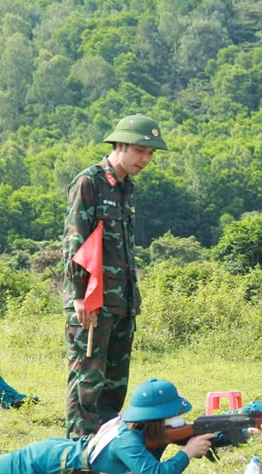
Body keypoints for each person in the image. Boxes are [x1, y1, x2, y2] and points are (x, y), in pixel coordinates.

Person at [0, 379, 227, 474]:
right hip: (39, 462)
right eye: (173, 416)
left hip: (57, 452)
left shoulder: (140, 431)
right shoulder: (128, 439)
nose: (178, 421)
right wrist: (187, 452)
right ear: (156, 419)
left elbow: (161, 450)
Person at [62, 114, 167, 439]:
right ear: (120, 145)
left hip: (121, 302)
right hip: (92, 300)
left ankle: (105, 450)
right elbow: (76, 241)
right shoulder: (89, 182)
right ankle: (79, 455)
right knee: (88, 381)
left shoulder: (126, 189)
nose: (145, 160)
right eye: (140, 151)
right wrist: (79, 295)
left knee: (114, 384)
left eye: (150, 154)